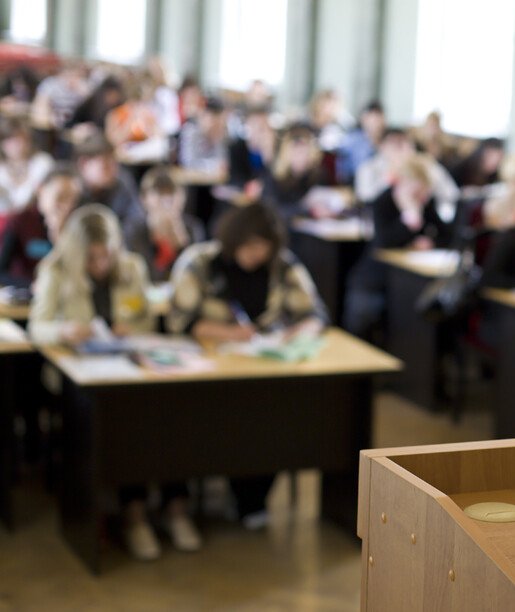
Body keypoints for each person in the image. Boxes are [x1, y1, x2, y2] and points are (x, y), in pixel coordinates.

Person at [28, 206, 195, 560]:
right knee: (125, 423)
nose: (101, 264)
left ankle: (175, 506)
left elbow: (148, 321)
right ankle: (134, 515)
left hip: (130, 366)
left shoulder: (132, 267)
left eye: (107, 255)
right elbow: (36, 327)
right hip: (80, 376)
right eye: (92, 257)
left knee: (171, 415)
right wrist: (64, 330)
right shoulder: (54, 269)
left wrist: (130, 330)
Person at [166, 203, 328, 528]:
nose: (258, 254)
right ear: (235, 237)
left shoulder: (282, 266)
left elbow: (315, 313)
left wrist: (296, 333)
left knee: (276, 418)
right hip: (208, 373)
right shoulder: (199, 263)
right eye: (252, 245)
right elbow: (179, 321)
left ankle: (251, 499)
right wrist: (229, 334)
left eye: (264, 248)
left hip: (264, 368)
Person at [345, 155, 453, 340]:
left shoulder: (425, 203)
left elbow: (448, 236)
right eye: (418, 190)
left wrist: (431, 242)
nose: (422, 197)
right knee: (365, 316)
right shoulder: (383, 201)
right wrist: (410, 216)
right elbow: (385, 243)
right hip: (375, 278)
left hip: (407, 280)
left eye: (425, 191)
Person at [0, 165, 82, 287]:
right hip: (24, 294)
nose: (66, 206)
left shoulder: (77, 223)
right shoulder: (20, 221)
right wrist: (33, 285)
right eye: (61, 197)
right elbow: (1, 272)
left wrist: (59, 238)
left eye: (72, 199)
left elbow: (78, 272)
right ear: (40, 189)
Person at [127, 166, 204, 281]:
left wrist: (181, 244)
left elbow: (197, 275)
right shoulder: (134, 229)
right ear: (144, 198)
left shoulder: (193, 227)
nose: (166, 202)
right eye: (159, 194)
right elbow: (143, 277)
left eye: (172, 194)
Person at [354, 128, 460, 209]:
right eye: (395, 145)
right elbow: (365, 197)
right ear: (382, 147)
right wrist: (389, 179)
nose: (402, 150)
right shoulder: (369, 167)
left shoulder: (428, 165)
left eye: (406, 144)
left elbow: (451, 194)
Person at [74, 131, 146, 246]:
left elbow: (137, 219)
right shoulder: (72, 189)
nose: (113, 170)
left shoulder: (121, 182)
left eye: (114, 163)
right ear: (84, 164)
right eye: (105, 165)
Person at [262, 123, 336, 222]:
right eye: (298, 153)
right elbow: (272, 211)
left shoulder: (318, 175)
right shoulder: (274, 178)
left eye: (306, 153)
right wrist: (306, 208)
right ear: (287, 154)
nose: (302, 158)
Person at [0, 117, 55, 220]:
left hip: (35, 221)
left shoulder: (42, 163)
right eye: (9, 140)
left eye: (18, 138)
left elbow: (23, 205)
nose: (15, 144)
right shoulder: (1, 170)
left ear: (28, 139)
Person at [227, 106, 276, 195]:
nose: (258, 130)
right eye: (255, 125)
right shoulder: (236, 148)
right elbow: (233, 178)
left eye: (262, 126)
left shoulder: (274, 151)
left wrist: (268, 155)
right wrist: (249, 186)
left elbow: (277, 180)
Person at [30, 61, 90, 129]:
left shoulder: (84, 87)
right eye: (69, 75)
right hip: (52, 127)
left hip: (75, 127)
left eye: (77, 75)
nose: (72, 79)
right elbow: (39, 113)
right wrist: (50, 120)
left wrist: (84, 93)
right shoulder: (50, 85)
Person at [337, 100, 385, 185]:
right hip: (354, 182)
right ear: (363, 119)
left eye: (378, 118)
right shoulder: (352, 140)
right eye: (371, 118)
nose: (374, 123)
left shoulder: (386, 141)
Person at [178, 97, 228, 175]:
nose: (215, 125)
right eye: (212, 119)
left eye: (218, 121)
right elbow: (187, 163)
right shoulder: (190, 131)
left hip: (212, 183)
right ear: (203, 116)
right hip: (192, 183)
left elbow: (223, 163)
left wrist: (217, 138)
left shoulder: (218, 134)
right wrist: (213, 166)